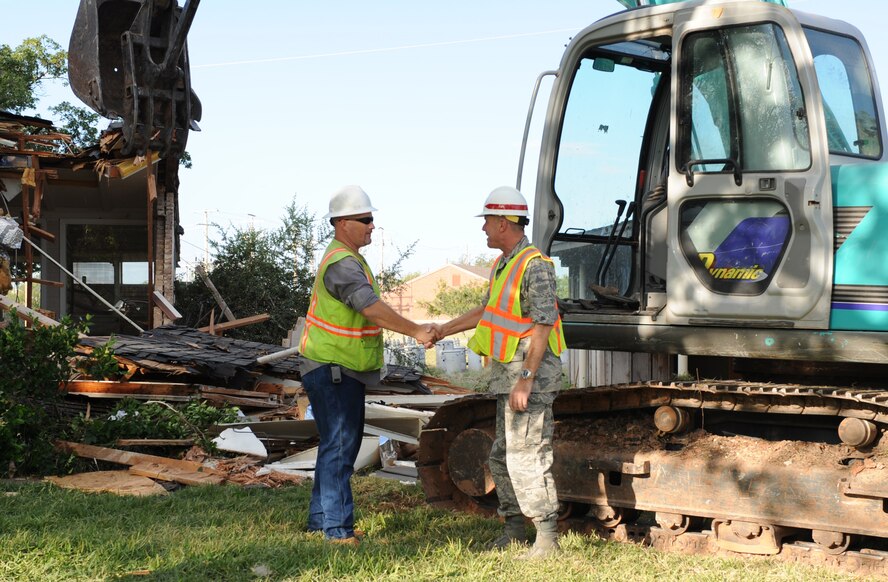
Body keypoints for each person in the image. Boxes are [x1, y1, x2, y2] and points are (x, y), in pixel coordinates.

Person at [298, 185, 436, 545]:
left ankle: (322, 521)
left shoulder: (347, 258)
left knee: (336, 444)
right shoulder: (342, 263)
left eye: (372, 219)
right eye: (366, 219)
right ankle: (337, 531)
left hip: (337, 367)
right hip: (333, 368)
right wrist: (416, 330)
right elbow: (369, 307)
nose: (372, 226)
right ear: (342, 223)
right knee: (341, 446)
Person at [434, 186, 566, 559]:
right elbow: (486, 311)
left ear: (505, 223)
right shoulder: (504, 264)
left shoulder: (535, 265)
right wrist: (444, 329)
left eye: (488, 221)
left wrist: (526, 379)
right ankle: (513, 528)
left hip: (529, 378)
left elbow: (544, 323)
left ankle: (547, 537)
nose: (484, 229)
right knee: (502, 455)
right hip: (508, 377)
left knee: (528, 455)